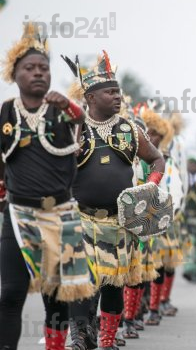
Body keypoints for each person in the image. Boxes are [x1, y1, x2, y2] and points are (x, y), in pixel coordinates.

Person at [0, 22, 92, 350]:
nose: (38, 73)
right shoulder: (7, 111)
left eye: (44, 68)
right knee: (10, 292)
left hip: (59, 216)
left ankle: (57, 346)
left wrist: (68, 105)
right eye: (30, 68)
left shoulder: (62, 110)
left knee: (56, 295)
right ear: (15, 74)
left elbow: (81, 119)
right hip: (18, 214)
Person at [66, 50, 165, 350]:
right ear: (91, 98)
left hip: (118, 222)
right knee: (82, 285)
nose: (118, 97)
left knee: (113, 286)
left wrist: (149, 188)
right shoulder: (73, 130)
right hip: (81, 220)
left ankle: (107, 338)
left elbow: (158, 160)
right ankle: (80, 336)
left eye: (119, 92)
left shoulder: (131, 131)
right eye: (110, 93)